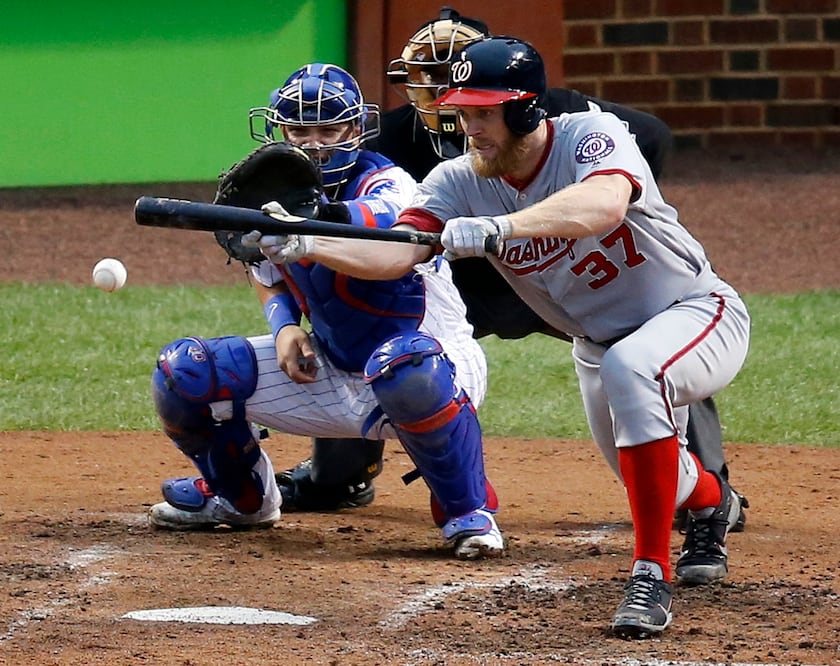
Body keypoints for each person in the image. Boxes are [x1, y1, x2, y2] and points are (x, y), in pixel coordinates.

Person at [248, 38, 750, 637]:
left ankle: (649, 575)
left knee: (634, 369)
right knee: (658, 474)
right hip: (596, 344)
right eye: (462, 113)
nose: (470, 128)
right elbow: (395, 255)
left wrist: (498, 228)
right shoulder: (455, 181)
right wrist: (307, 243)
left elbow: (604, 205)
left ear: (525, 110)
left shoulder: (592, 135)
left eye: (484, 113)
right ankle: (710, 501)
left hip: (693, 310)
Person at [147, 62, 504, 561]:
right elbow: (265, 271)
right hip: (334, 366)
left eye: (327, 129)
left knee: (405, 365)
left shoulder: (391, 183)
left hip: (434, 367)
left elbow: (379, 242)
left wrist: (307, 233)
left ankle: (467, 511)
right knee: (184, 371)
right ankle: (242, 498)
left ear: (355, 129)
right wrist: (285, 326)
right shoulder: (278, 196)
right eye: (299, 129)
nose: (313, 143)